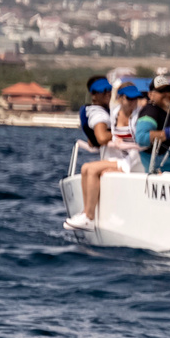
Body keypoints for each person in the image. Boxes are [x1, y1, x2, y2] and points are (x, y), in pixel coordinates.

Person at [66, 75, 118, 228]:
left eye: (109, 90)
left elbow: (92, 141)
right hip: (115, 158)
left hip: (113, 157)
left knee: (87, 168)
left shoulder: (99, 111)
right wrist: (125, 132)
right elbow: (101, 138)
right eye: (103, 91)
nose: (107, 94)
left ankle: (87, 214)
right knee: (88, 169)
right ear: (93, 95)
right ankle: (88, 214)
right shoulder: (98, 113)